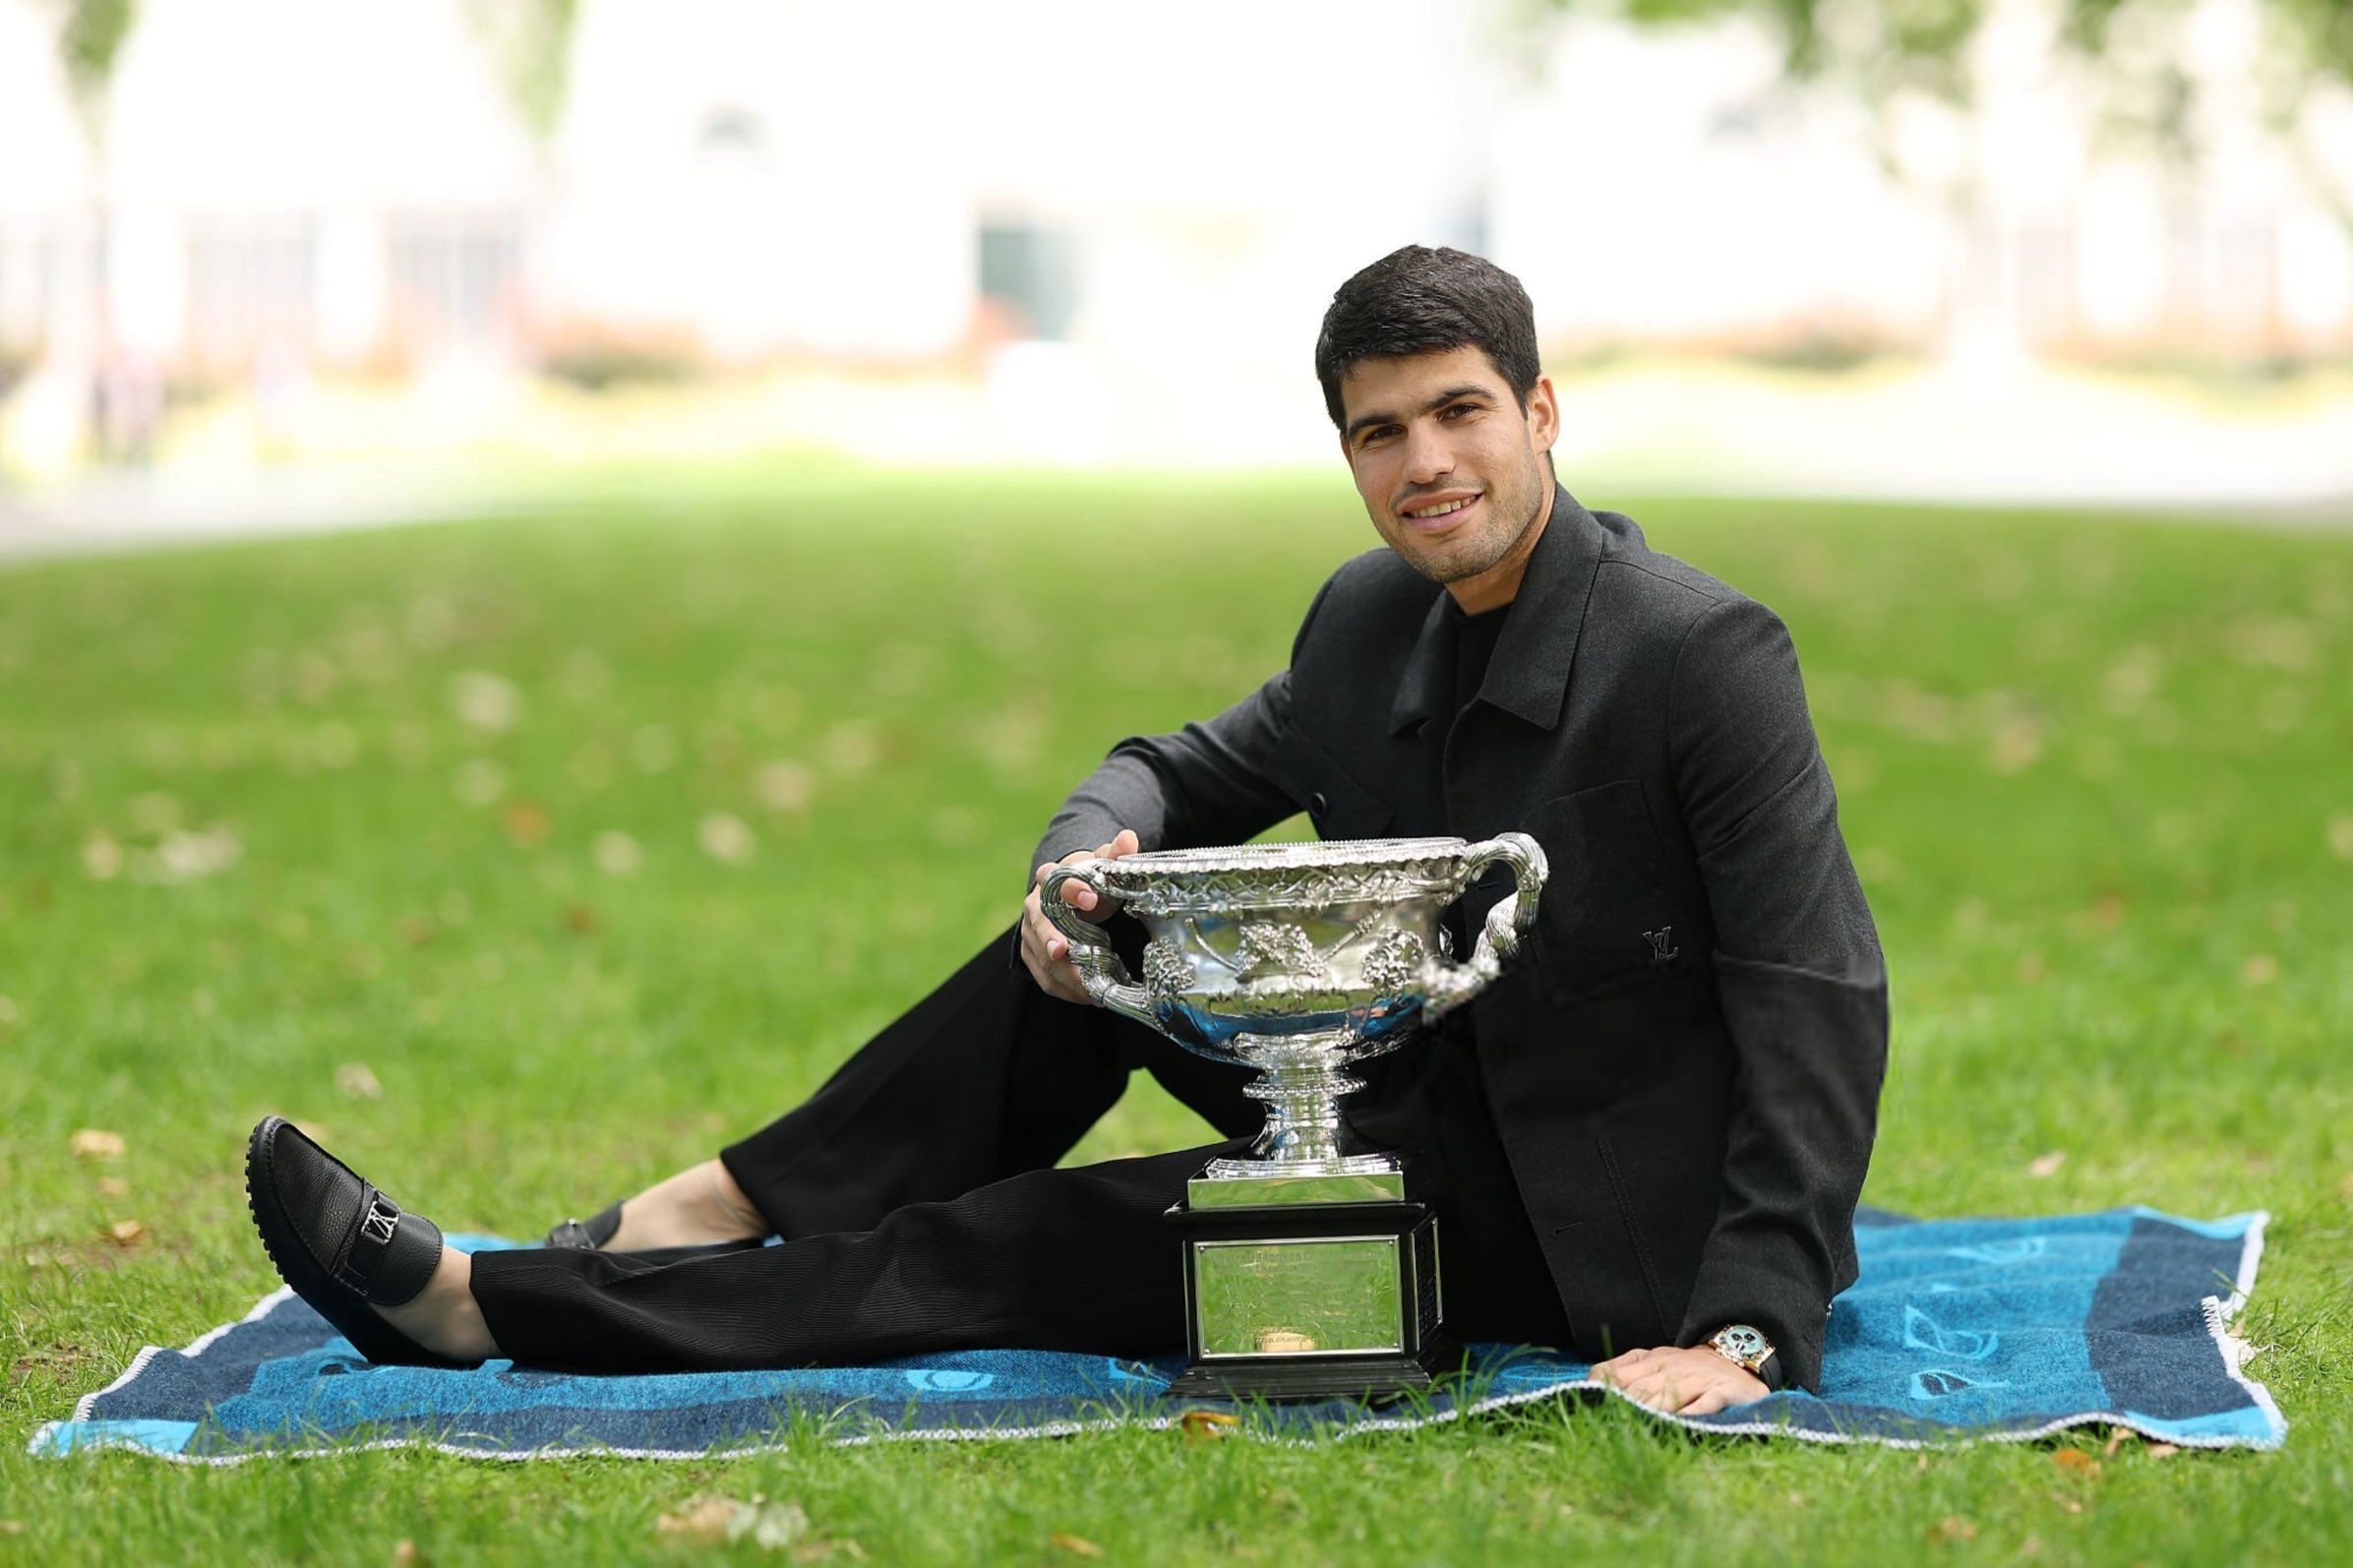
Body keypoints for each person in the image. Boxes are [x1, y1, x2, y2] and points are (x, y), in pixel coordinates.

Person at [244, 246, 1888, 1416]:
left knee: (1024, 1246)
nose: (1426, 462)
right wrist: (1079, 865)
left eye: (1459, 411)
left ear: (1542, 410)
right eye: (1381, 431)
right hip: (1382, 1075)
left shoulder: (1698, 656)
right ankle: (718, 1198)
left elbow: (1818, 995)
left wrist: (1744, 1321)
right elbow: (1170, 767)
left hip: (1573, 1207)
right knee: (1076, 953)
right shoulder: (1369, 620)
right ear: (1347, 453)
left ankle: (487, 1306)